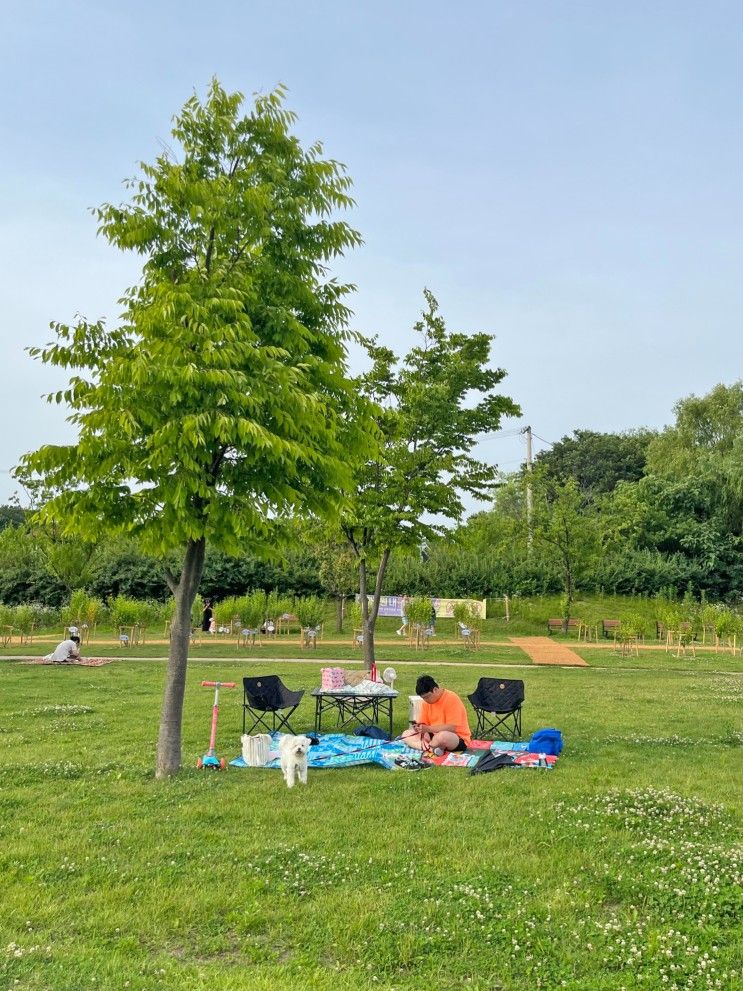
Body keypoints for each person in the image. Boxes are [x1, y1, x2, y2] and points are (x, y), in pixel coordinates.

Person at [401, 674, 472, 754]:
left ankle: (428, 746)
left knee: (442, 736)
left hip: (455, 737)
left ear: (435, 689)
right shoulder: (426, 703)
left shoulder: (451, 698)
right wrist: (419, 727)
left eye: (427, 697)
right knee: (406, 734)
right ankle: (431, 748)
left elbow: (452, 728)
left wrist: (428, 729)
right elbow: (425, 724)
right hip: (433, 735)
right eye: (423, 698)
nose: (426, 700)